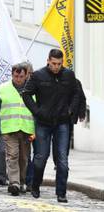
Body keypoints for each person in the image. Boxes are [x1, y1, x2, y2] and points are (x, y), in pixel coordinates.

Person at [22, 49, 79, 203]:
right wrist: (37, 111)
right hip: (43, 122)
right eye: (53, 63)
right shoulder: (38, 75)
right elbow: (26, 94)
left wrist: (71, 109)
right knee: (41, 157)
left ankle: (61, 193)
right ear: (48, 61)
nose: (56, 67)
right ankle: (35, 185)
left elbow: (76, 93)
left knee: (62, 159)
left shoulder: (68, 75)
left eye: (59, 64)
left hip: (62, 122)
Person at [0, 64, 35, 196]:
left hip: (27, 129)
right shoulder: (4, 89)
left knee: (24, 158)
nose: (18, 79)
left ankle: (21, 182)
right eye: (16, 76)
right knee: (12, 156)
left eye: (21, 76)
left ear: (26, 75)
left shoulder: (33, 89)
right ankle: (14, 183)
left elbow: (37, 110)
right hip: (9, 129)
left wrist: (37, 130)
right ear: (12, 75)